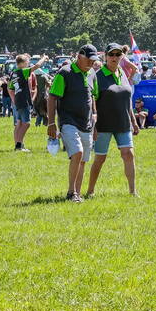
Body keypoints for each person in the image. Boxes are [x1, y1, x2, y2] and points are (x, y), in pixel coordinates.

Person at [86, 43, 140, 197]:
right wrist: (93, 125)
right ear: (105, 57)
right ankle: (90, 191)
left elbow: (127, 99)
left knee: (128, 154)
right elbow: (91, 101)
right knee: (100, 158)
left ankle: (132, 192)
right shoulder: (97, 76)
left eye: (118, 54)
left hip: (123, 123)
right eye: (111, 54)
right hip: (103, 124)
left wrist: (134, 121)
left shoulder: (122, 73)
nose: (114, 57)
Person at [47, 45, 99, 203]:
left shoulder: (92, 74)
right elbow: (52, 98)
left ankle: (77, 192)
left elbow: (93, 97)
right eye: (88, 59)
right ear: (79, 56)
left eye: (93, 60)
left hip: (87, 123)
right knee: (77, 152)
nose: (91, 62)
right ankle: (71, 192)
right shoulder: (65, 73)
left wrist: (95, 119)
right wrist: (51, 123)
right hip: (68, 121)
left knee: (83, 159)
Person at [9, 53, 47, 151]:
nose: (28, 63)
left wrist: (14, 99)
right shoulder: (23, 71)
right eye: (27, 62)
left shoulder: (14, 73)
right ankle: (19, 145)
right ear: (23, 63)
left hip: (18, 100)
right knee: (27, 123)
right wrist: (43, 58)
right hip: (23, 100)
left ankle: (18, 144)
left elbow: (10, 88)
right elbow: (37, 66)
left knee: (19, 123)